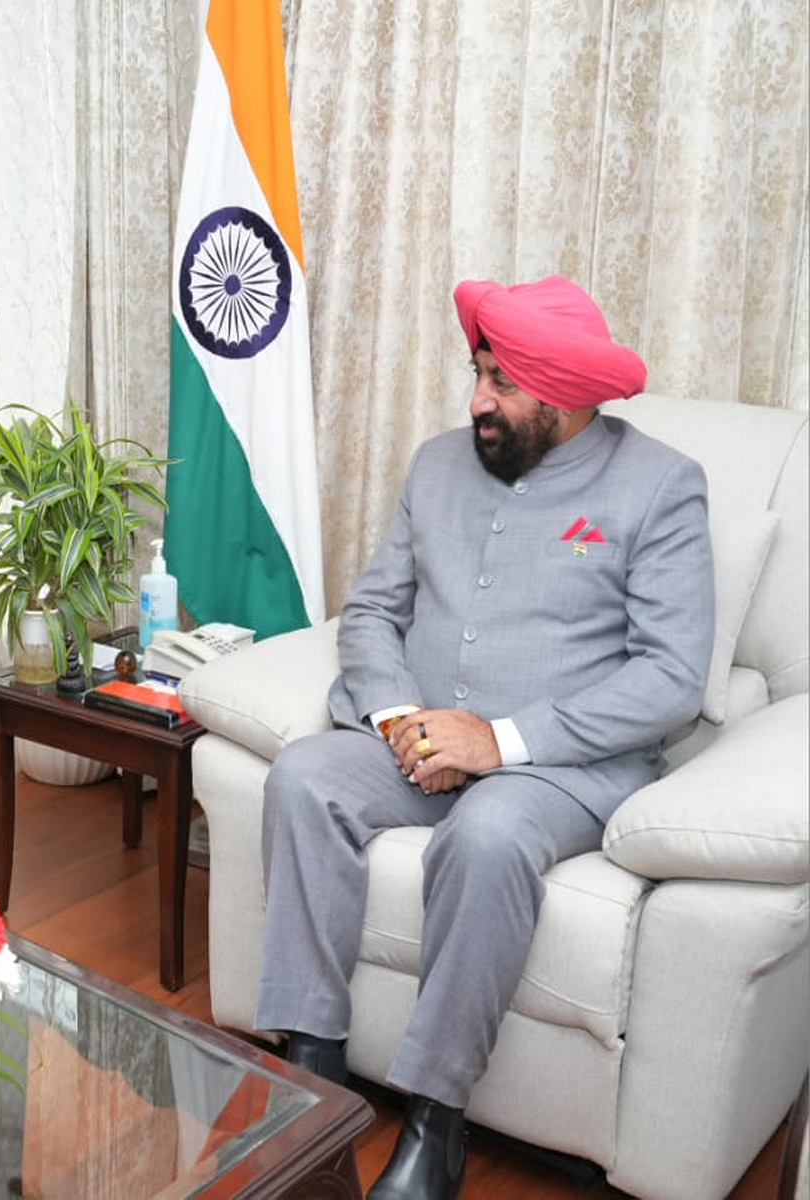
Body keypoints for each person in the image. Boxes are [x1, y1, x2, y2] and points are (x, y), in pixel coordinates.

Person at [256, 276, 714, 1200]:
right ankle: (311, 1084)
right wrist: (397, 717)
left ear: (565, 393)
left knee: (488, 834)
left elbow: (672, 678)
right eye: (478, 373)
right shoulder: (435, 465)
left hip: (556, 765)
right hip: (416, 737)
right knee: (303, 777)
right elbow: (373, 610)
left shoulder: (661, 486)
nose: (478, 401)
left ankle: (435, 1120)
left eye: (502, 383)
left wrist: (496, 741)